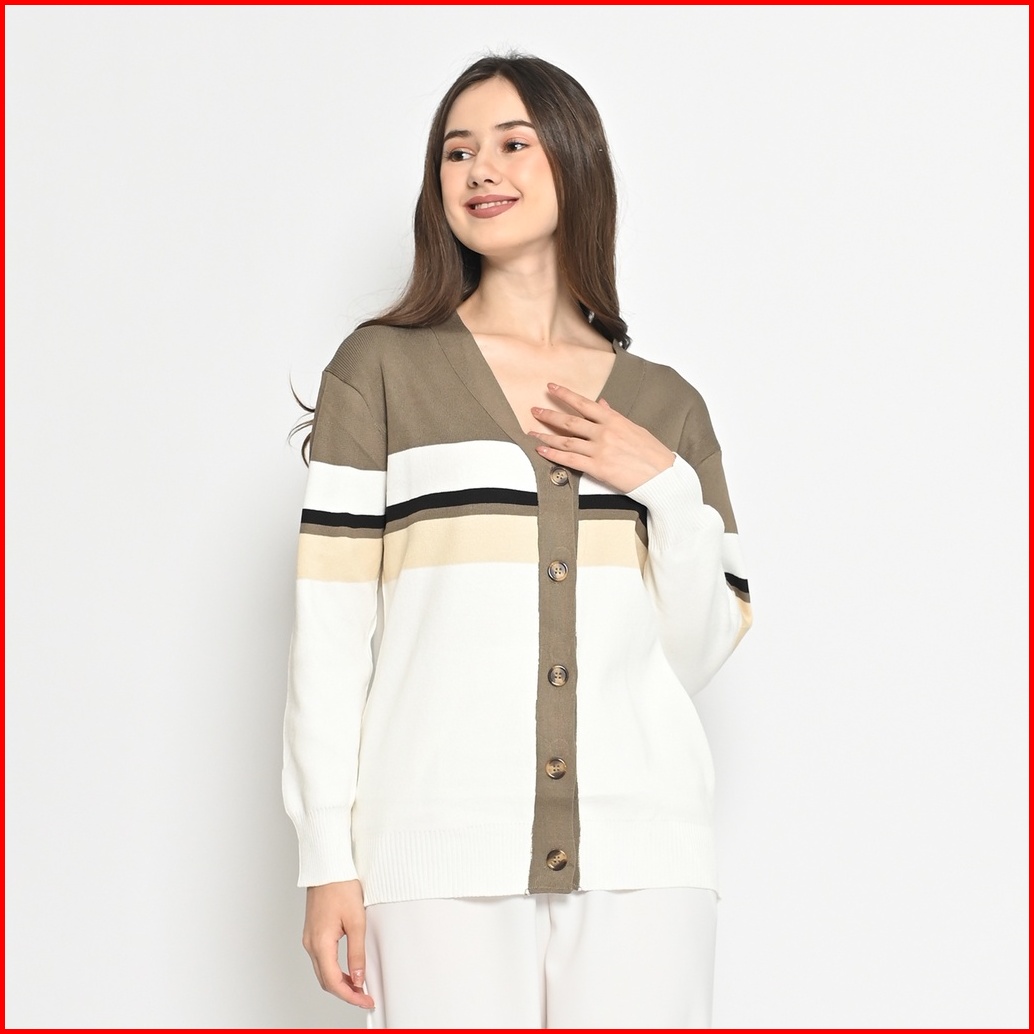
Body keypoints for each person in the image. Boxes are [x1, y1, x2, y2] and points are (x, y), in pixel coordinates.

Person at [283, 52, 752, 1029]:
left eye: (511, 144)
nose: (479, 170)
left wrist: (662, 484)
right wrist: (328, 858)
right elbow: (329, 634)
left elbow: (697, 650)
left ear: (574, 161)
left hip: (644, 856)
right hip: (437, 850)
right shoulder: (380, 372)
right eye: (456, 152)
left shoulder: (665, 404)